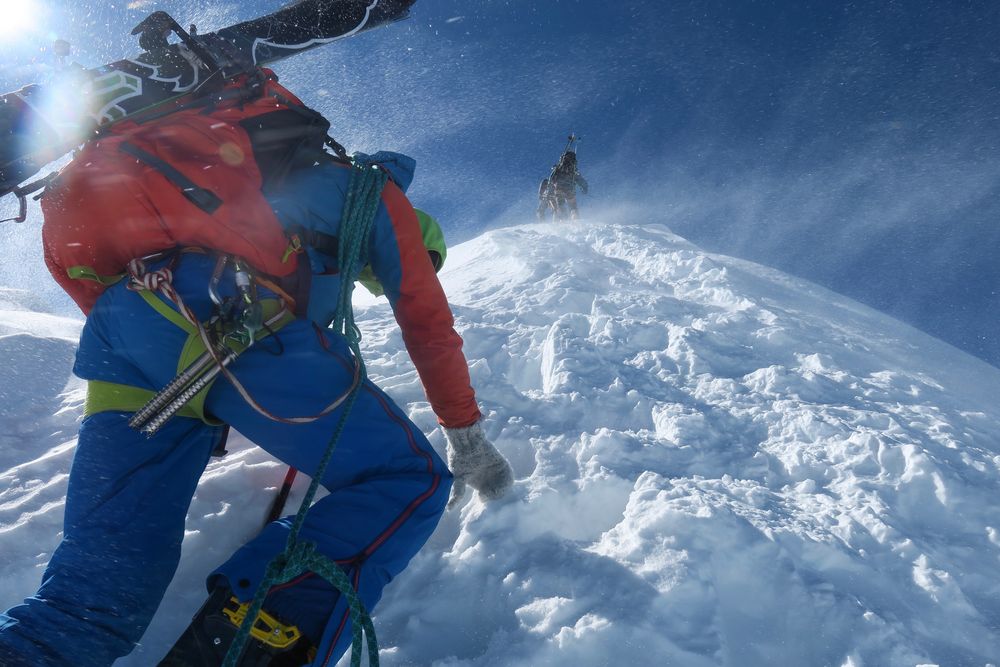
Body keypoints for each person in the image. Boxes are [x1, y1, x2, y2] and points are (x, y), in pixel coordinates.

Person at [0, 72, 514, 667]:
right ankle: (250, 643)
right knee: (410, 480)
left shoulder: (258, 175)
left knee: (95, 591)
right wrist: (465, 436)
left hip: (130, 327)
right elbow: (426, 323)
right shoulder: (375, 196)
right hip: (229, 315)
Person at [550, 150, 589, 220]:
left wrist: (552, 187)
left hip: (559, 188)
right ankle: (575, 218)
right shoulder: (573, 169)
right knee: (573, 206)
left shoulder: (558, 168)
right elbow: (580, 180)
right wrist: (584, 188)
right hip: (570, 188)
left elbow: (551, 178)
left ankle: (564, 219)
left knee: (560, 204)